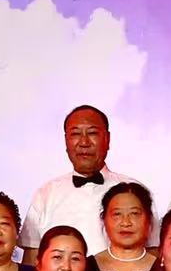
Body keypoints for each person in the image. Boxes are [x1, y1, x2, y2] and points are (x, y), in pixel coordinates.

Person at [24, 105, 140, 256]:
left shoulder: (135, 191)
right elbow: (32, 257)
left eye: (92, 133)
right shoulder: (45, 194)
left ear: (107, 139)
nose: (84, 142)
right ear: (66, 141)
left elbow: (153, 253)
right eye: (75, 134)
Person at [80, 181, 157, 271]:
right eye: (117, 214)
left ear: (148, 219)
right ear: (104, 219)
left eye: (134, 214)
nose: (125, 223)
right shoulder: (83, 268)